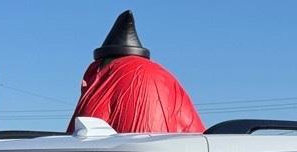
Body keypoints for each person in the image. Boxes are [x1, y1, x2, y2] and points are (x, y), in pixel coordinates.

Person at [67, 10, 205, 134]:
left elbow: (82, 132)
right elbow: (194, 129)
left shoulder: (107, 79)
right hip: (170, 151)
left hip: (128, 151)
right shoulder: (165, 76)